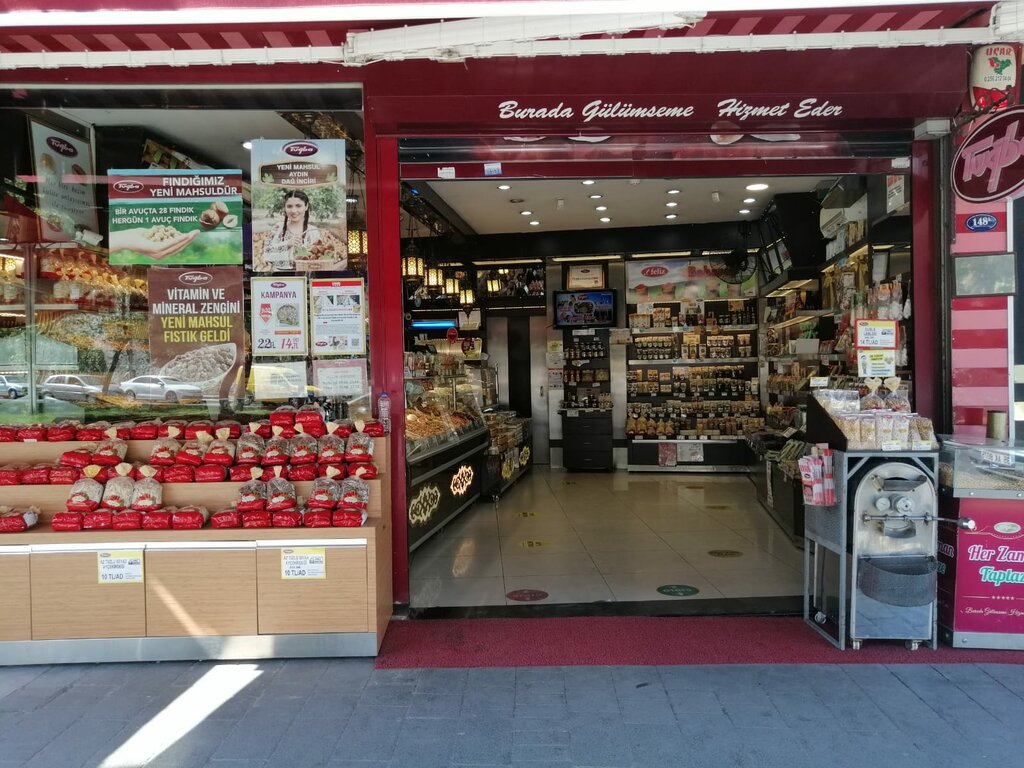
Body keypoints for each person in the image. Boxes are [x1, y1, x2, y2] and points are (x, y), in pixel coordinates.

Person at [260, 189, 320, 270]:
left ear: (306, 206)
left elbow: (319, 257)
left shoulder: (313, 231)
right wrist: (287, 244)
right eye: (289, 206)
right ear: (285, 207)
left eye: (298, 206)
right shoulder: (278, 228)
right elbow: (266, 255)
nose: (293, 211)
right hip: (278, 275)